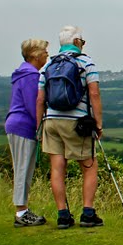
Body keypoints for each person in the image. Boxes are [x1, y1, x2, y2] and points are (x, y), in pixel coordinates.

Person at [36, 25, 104, 229]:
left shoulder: (48, 65)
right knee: (89, 166)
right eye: (82, 41)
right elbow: (94, 94)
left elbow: (40, 99)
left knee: (57, 169)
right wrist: (98, 123)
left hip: (52, 121)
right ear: (77, 42)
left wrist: (39, 126)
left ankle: (63, 215)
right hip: (77, 122)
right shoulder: (86, 62)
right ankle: (88, 213)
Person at [4, 38, 50, 227]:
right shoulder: (31, 76)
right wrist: (42, 128)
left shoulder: (24, 73)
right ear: (35, 55)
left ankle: (22, 209)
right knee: (23, 169)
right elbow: (34, 106)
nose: (47, 55)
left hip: (17, 124)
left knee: (23, 168)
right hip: (24, 125)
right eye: (45, 52)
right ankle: (21, 211)